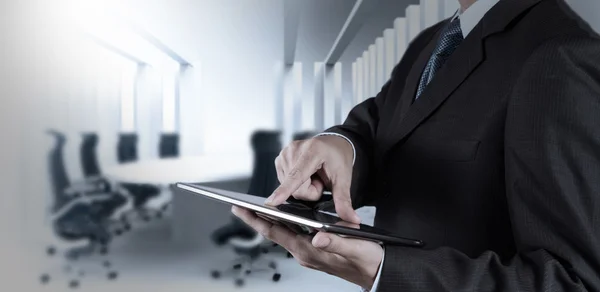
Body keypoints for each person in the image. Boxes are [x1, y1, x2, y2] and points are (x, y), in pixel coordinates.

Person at [232, 0, 600, 290]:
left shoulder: (558, 54)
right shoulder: (437, 40)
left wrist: (386, 272)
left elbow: (573, 282)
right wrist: (339, 145)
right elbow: (378, 129)